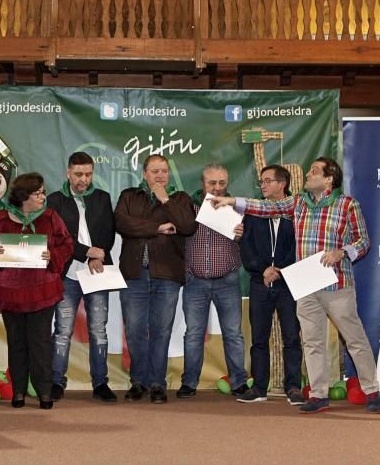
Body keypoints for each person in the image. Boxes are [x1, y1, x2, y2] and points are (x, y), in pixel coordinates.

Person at [212, 157, 380, 414]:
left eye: (314, 171)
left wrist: (342, 252)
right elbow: (266, 208)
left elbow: (363, 241)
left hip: (337, 284)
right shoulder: (299, 203)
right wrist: (232, 201)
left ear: (329, 178)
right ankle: (318, 394)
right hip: (306, 285)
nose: (308, 174)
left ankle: (372, 391)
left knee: (354, 339)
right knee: (312, 342)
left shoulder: (347, 204)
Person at [0, 173, 73, 409]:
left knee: (40, 342)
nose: (43, 197)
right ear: (24, 196)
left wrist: (53, 256)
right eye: (38, 193)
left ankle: (44, 392)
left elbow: (67, 244)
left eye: (43, 192)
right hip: (10, 291)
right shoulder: (2, 218)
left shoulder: (51, 217)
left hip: (42, 290)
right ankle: (19, 392)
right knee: (17, 343)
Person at [115, 154, 197, 404]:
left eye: (164, 171)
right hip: (134, 274)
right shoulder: (129, 195)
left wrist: (165, 200)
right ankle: (138, 382)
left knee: (161, 332)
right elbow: (121, 223)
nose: (160, 176)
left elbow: (187, 226)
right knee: (136, 331)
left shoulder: (180, 199)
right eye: (154, 171)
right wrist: (158, 228)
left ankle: (157, 384)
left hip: (167, 276)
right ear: (144, 174)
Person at [46, 152, 118, 403]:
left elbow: (108, 233)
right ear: (68, 173)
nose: (83, 180)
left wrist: (98, 255)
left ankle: (100, 383)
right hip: (67, 273)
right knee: (62, 330)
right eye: (78, 174)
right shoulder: (54, 201)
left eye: (88, 174)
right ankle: (56, 382)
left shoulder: (102, 198)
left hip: (97, 271)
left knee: (98, 330)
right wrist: (86, 252)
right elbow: (57, 238)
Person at [177, 163, 248, 400]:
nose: (217, 188)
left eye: (222, 183)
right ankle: (189, 383)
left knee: (233, 334)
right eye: (212, 183)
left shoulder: (238, 208)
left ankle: (239, 382)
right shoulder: (189, 207)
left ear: (227, 183)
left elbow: (251, 244)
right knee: (193, 334)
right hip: (195, 281)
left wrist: (242, 236)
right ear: (202, 184)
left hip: (227, 280)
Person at [236, 164, 303, 405]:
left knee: (292, 337)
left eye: (267, 180)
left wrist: (280, 271)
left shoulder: (298, 211)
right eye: (261, 181)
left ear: (281, 184)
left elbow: (301, 246)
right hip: (259, 281)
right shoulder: (253, 212)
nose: (262, 185)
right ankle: (259, 387)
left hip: (288, 283)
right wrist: (263, 268)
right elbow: (246, 245)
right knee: (259, 338)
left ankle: (294, 387)